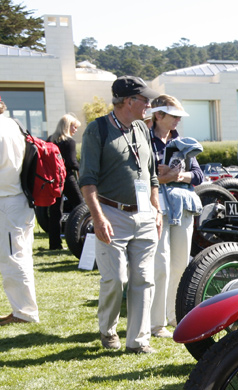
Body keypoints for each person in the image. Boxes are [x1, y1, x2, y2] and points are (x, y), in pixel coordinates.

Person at [80, 75, 162, 353]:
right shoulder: (97, 130)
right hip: (111, 214)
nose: (149, 104)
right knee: (116, 279)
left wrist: (156, 208)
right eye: (144, 99)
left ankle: (138, 341)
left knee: (143, 278)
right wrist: (98, 217)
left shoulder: (141, 127)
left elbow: (150, 174)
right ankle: (108, 330)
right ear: (129, 101)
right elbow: (87, 180)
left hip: (144, 215)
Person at [147, 94, 203, 339]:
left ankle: (174, 315)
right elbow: (142, 175)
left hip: (182, 207)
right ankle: (155, 323)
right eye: (173, 116)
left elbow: (199, 176)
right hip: (156, 206)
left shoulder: (183, 142)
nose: (178, 121)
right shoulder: (144, 141)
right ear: (158, 115)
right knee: (160, 264)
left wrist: (175, 176)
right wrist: (161, 178)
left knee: (180, 263)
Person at [0, 94, 39, 326]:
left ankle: (24, 313)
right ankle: (24, 310)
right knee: (21, 256)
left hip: (7, 200)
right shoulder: (15, 124)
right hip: (21, 198)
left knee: (14, 258)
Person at [35, 113, 82, 250]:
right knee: (82, 207)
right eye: (74, 127)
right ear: (67, 126)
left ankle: (54, 244)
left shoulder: (50, 140)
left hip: (53, 180)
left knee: (55, 212)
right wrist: (82, 167)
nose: (75, 130)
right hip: (67, 178)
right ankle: (83, 237)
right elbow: (72, 163)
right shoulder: (70, 142)